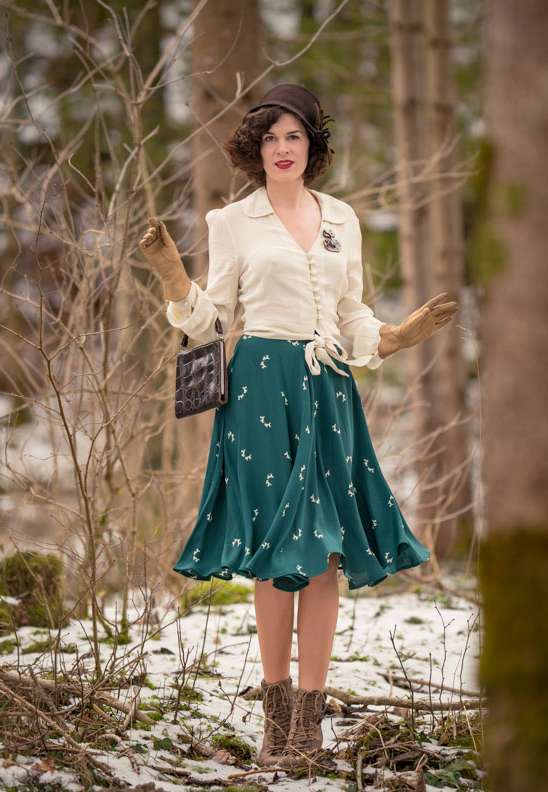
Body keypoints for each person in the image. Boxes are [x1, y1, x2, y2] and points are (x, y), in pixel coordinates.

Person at [137, 84, 458, 769]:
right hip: (258, 387)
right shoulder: (233, 221)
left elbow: (352, 311)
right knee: (275, 547)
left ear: (314, 146)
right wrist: (172, 277)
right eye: (272, 137)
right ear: (256, 147)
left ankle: (308, 728)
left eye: (296, 136)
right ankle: (274, 722)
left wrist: (395, 336)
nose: (284, 149)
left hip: (330, 388)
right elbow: (210, 321)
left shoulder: (341, 216)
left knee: (324, 554)